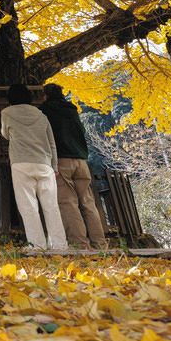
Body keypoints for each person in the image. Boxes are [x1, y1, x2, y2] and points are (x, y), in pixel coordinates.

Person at [40, 82, 107, 249]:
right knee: (87, 202)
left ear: (45, 95)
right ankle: (100, 243)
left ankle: (80, 243)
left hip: (61, 160)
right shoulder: (73, 110)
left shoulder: (45, 111)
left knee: (68, 202)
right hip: (81, 161)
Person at [0, 84, 67, 251]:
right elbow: (51, 143)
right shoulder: (41, 115)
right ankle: (59, 244)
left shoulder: (6, 113)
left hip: (21, 162)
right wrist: (54, 165)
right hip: (44, 163)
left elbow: (5, 134)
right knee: (51, 206)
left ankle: (37, 245)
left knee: (28, 206)